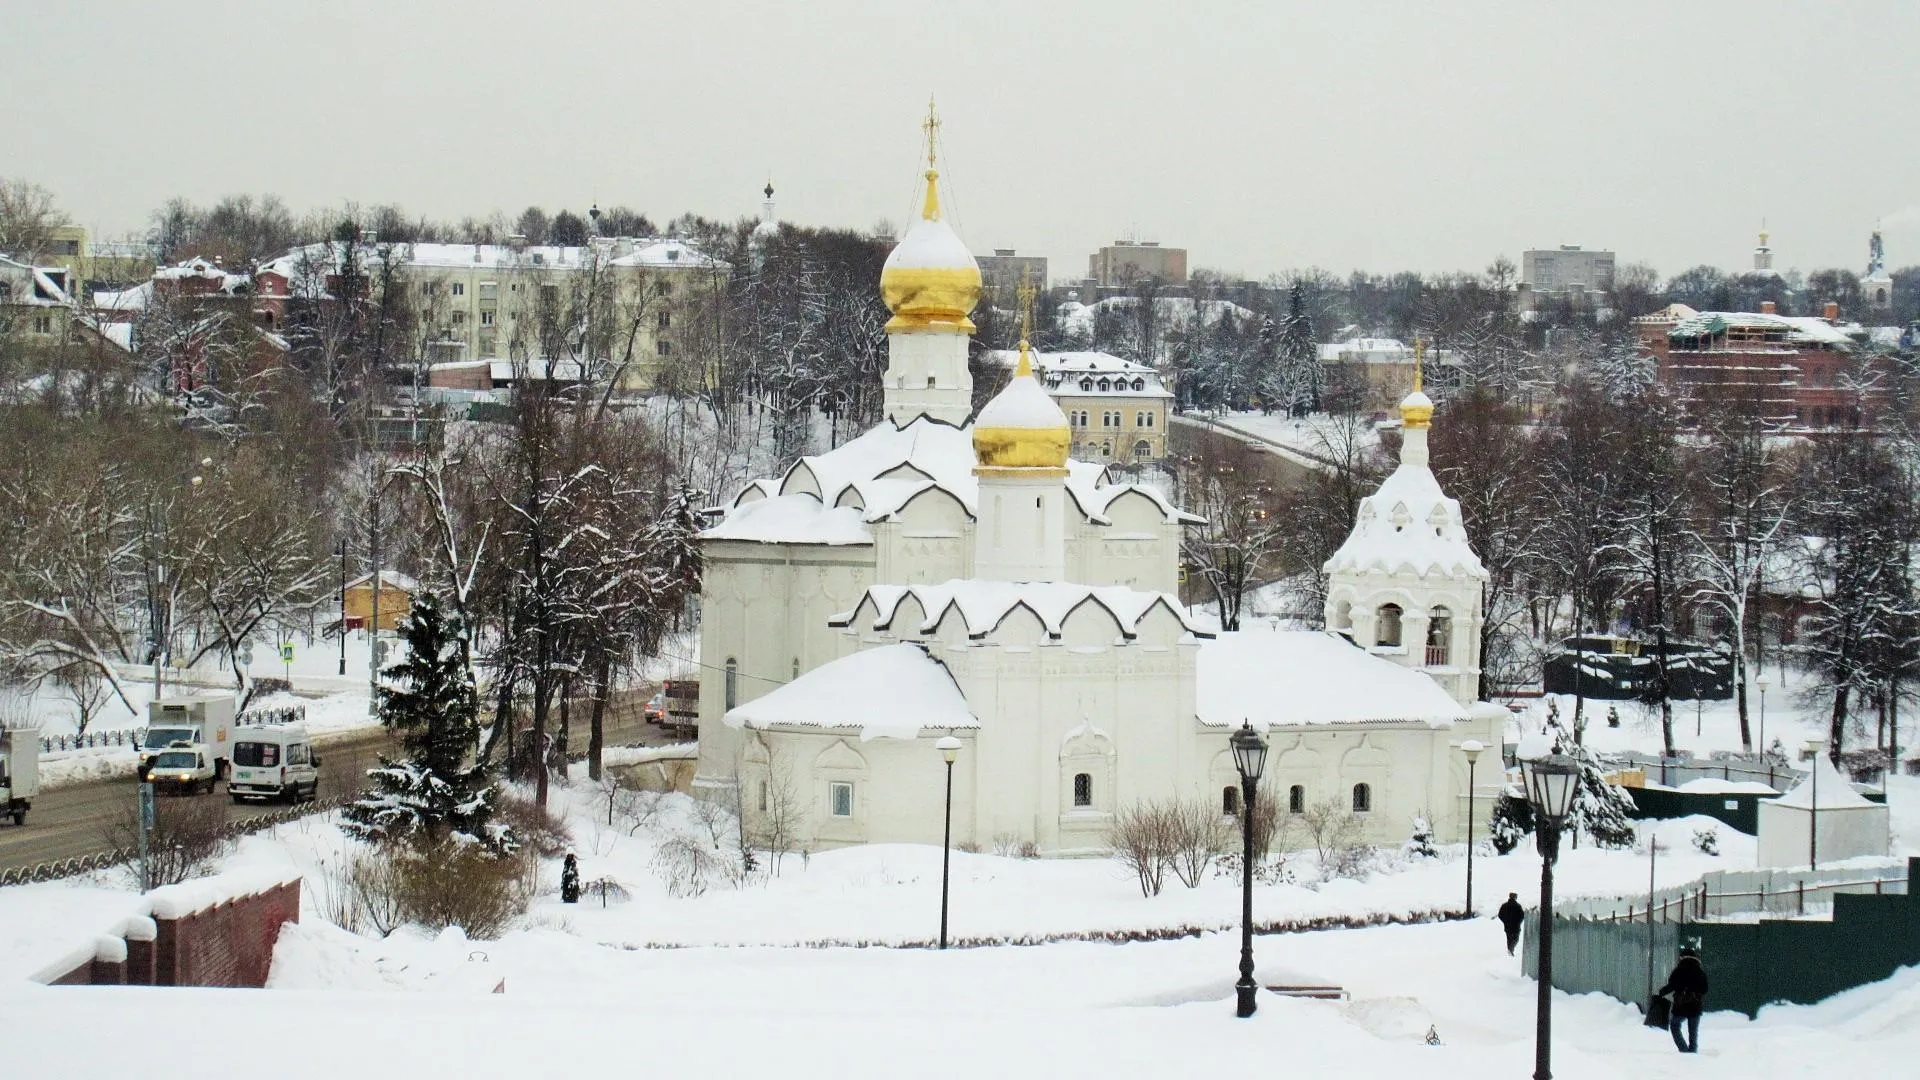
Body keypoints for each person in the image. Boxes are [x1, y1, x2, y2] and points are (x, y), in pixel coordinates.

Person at [1656, 947, 1709, 1053]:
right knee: (1693, 1031)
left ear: (1683, 958)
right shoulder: (1700, 972)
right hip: (1696, 1005)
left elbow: (1672, 985)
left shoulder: (1678, 971)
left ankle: (1684, 1050)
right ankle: (1693, 1051)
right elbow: (1705, 989)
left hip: (1681, 1006)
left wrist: (1661, 992)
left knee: (1675, 1026)